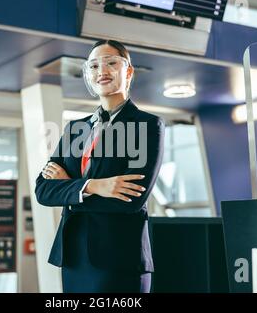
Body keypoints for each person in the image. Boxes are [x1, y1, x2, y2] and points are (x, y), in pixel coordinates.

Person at [35, 39, 165, 293]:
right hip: (74, 259)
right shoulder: (76, 129)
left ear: (128, 71)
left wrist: (70, 190)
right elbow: (43, 190)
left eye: (111, 63)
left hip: (119, 260)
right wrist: (95, 186)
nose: (101, 72)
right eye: (93, 66)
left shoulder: (146, 126)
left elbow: (130, 199)